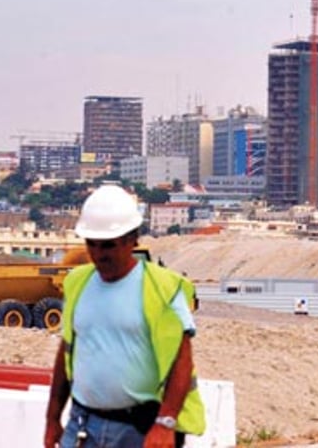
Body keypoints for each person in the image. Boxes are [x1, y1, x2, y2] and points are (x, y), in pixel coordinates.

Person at [44, 185, 204, 448]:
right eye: (91, 244)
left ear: (133, 239)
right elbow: (67, 352)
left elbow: (182, 361)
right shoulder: (77, 283)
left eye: (108, 245)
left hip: (141, 428)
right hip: (83, 424)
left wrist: (165, 423)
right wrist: (52, 419)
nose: (98, 254)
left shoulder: (163, 288)